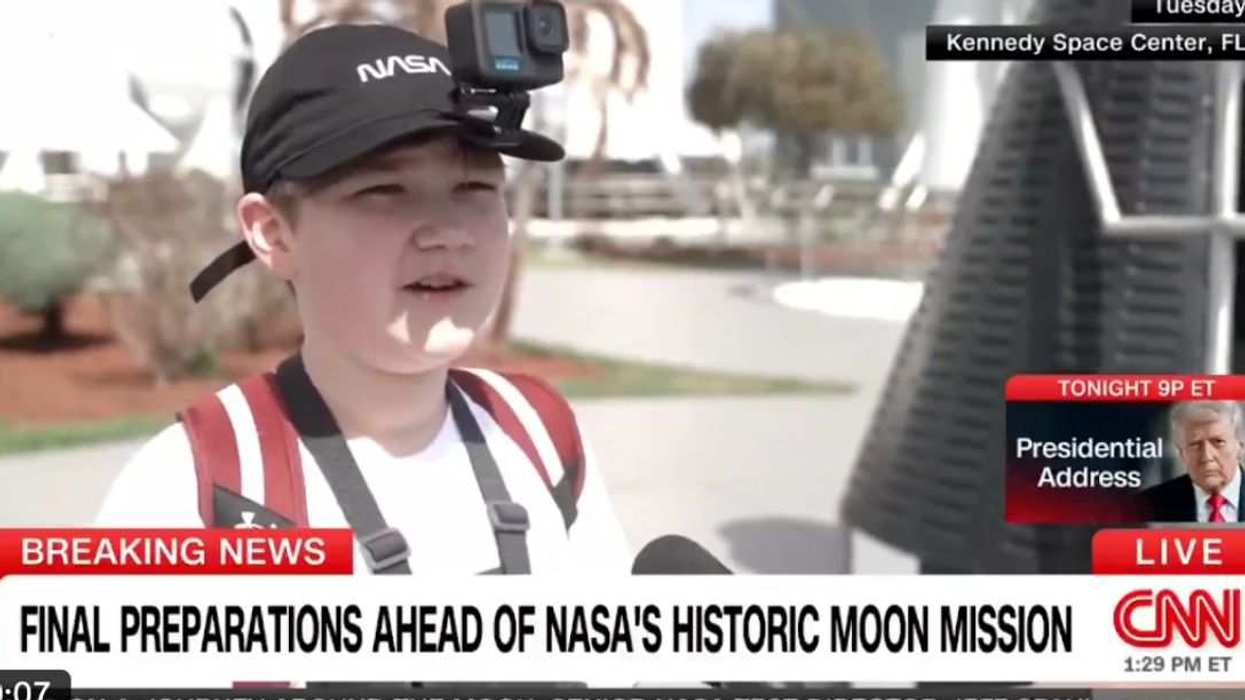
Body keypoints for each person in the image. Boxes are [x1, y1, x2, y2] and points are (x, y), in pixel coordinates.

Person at [95, 23, 632, 576]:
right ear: (273, 234)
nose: (446, 232)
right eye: (383, 192)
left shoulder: (540, 434)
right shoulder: (192, 493)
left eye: (474, 190)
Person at [1140, 401, 1245, 523]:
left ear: (1240, 446)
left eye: (1218, 442)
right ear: (1182, 453)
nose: (1206, 456)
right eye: (1195, 445)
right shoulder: (1147, 507)